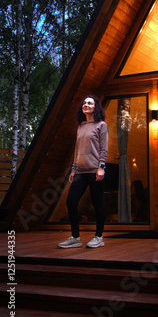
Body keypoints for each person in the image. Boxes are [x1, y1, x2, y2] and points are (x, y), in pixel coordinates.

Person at [58, 95, 108, 249]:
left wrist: (101, 167)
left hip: (95, 171)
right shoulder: (80, 127)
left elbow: (103, 148)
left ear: (96, 107)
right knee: (71, 201)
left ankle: (98, 237)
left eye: (90, 103)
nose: (86, 105)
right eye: (84, 103)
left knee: (97, 203)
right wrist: (73, 170)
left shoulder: (101, 125)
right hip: (80, 171)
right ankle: (75, 237)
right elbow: (77, 150)